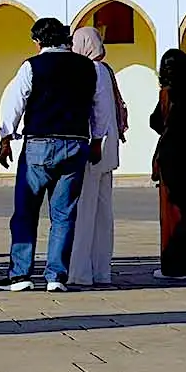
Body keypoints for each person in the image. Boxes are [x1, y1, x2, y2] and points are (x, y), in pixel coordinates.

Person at [0, 17, 111, 293]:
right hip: (75, 143)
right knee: (63, 214)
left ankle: (20, 274)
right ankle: (55, 275)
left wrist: (5, 138)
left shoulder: (32, 66)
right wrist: (97, 140)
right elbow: (101, 106)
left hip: (39, 143)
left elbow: (15, 102)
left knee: (26, 211)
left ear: (37, 41)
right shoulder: (88, 67)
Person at [66, 27, 123, 287]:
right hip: (107, 148)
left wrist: (95, 141)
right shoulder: (107, 69)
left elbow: (97, 109)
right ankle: (101, 270)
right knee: (102, 212)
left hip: (94, 147)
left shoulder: (91, 70)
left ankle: (80, 272)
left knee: (85, 211)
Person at [150, 48, 186, 280]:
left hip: (172, 156)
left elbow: (156, 121)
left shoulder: (168, 93)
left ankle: (174, 266)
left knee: (172, 212)